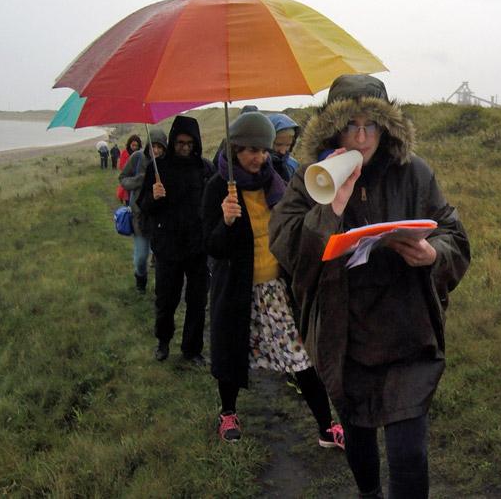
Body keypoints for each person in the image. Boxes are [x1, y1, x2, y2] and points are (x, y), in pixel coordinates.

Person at [269, 75, 471, 498]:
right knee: (359, 437)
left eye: (371, 126)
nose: (361, 138)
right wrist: (331, 208)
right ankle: (368, 493)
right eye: (351, 126)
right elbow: (287, 251)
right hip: (345, 336)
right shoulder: (311, 178)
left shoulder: (413, 173)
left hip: (407, 333)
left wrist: (434, 256)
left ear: (387, 128)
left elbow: (453, 232)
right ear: (333, 129)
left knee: (408, 454)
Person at [203, 112, 344, 449]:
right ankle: (228, 414)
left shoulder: (276, 181)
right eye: (251, 150)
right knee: (231, 356)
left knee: (300, 356)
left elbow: (293, 230)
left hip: (276, 290)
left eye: (264, 150)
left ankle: (326, 428)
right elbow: (210, 246)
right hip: (236, 290)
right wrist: (225, 220)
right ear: (235, 148)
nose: (260, 157)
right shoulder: (216, 187)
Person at [139, 116, 211, 366]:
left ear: (196, 143)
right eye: (180, 142)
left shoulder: (205, 169)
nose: (184, 147)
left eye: (189, 143)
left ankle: (192, 349)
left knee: (197, 300)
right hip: (167, 246)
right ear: (172, 141)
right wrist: (153, 196)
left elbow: (212, 205)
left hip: (198, 247)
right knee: (166, 298)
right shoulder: (157, 168)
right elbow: (144, 207)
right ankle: (163, 341)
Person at [119, 129, 166, 293]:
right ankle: (141, 280)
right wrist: (139, 180)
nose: (157, 150)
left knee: (163, 258)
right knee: (141, 257)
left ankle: (162, 290)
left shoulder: (169, 164)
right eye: (154, 146)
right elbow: (123, 178)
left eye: (160, 147)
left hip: (162, 219)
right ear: (148, 146)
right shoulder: (138, 158)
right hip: (140, 218)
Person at [268, 113, 301, 183]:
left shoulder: (293, 165)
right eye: (278, 144)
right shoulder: (257, 165)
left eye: (288, 145)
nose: (282, 151)